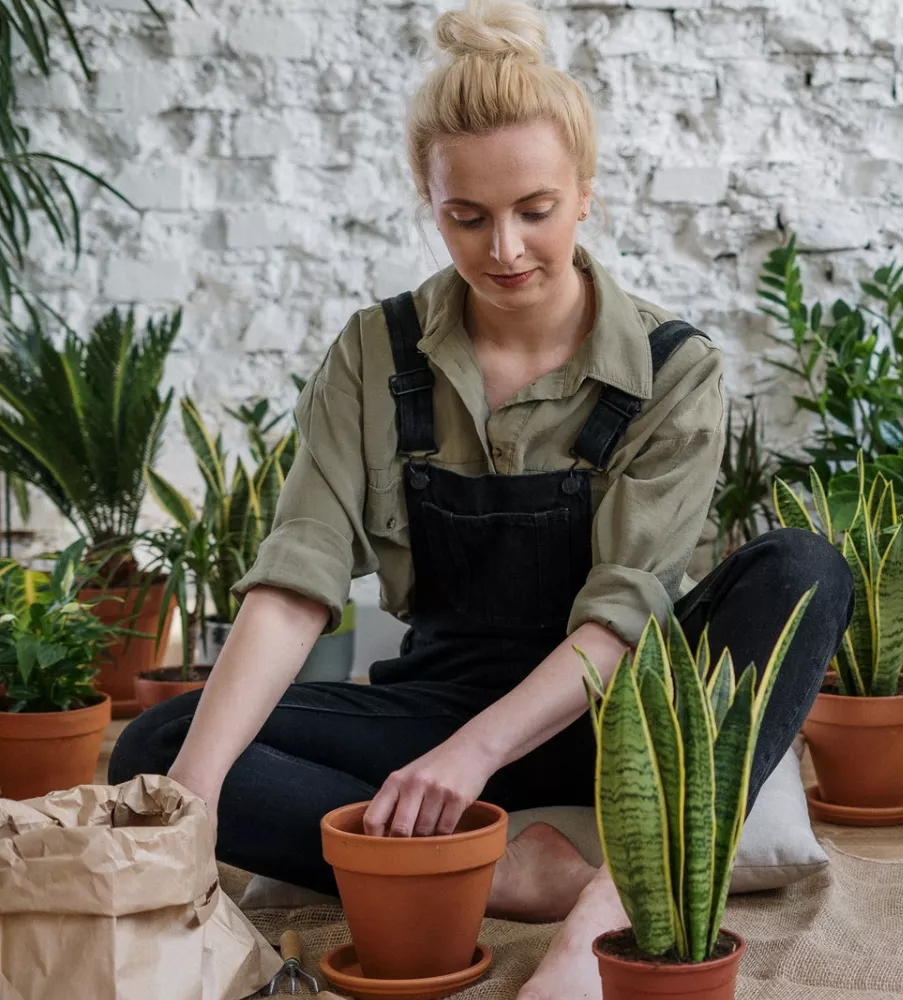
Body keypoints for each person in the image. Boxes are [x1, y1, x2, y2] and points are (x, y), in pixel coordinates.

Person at [107, 2, 852, 995]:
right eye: (468, 216)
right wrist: (187, 819)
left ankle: (610, 908)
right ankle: (505, 870)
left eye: (534, 209)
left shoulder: (673, 369)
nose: (504, 247)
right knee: (161, 746)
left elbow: (628, 614)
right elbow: (294, 585)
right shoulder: (375, 354)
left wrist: (468, 758)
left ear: (585, 192)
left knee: (806, 569)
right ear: (429, 198)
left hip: (620, 717)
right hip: (439, 700)